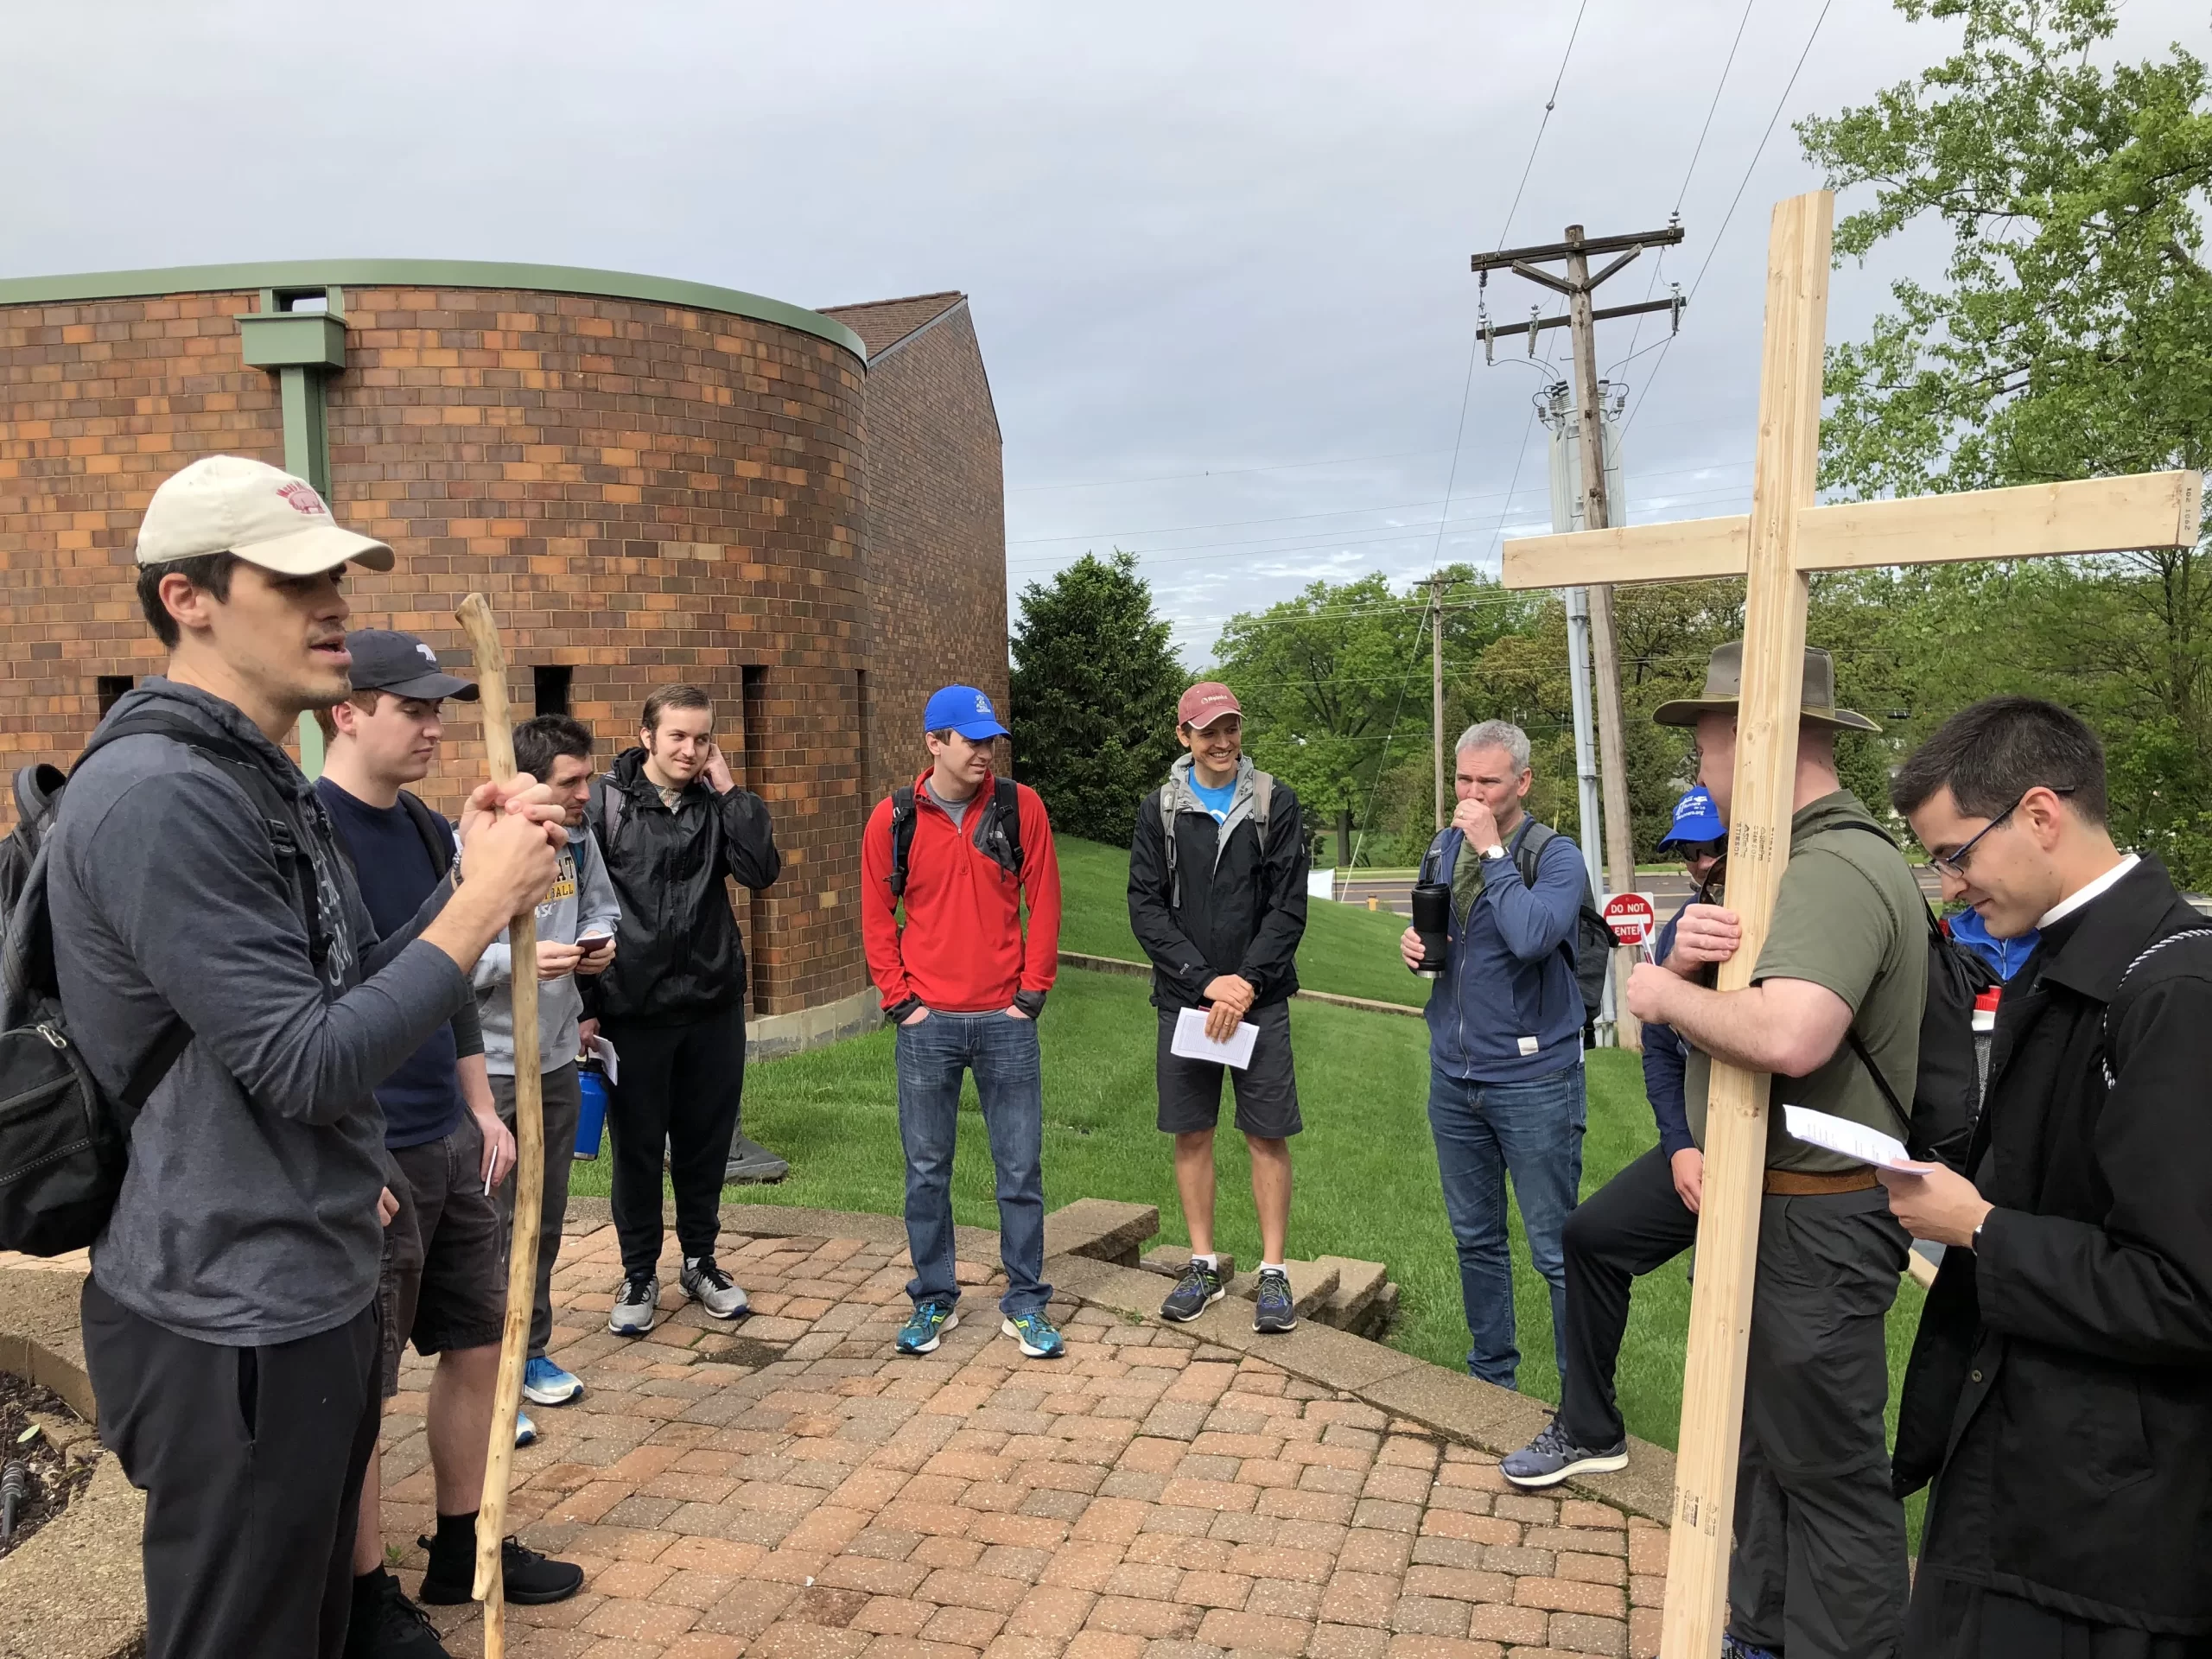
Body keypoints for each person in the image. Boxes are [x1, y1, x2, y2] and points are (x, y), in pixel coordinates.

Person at [53, 454, 561, 1659]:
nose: (335, 601)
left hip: (300, 1287)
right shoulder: (160, 796)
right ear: (189, 599)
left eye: (339, 572)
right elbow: (308, 1061)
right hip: (227, 1317)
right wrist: (476, 910)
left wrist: (454, 877)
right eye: (294, 579)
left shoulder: (252, 782)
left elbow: (330, 995)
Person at [1885, 697, 2212, 1656]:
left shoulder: (2172, 997)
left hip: (2098, 1546)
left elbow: (2187, 1291)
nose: (1949, 886)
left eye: (1954, 853)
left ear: (2037, 815)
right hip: (2020, 1479)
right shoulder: (2066, 967)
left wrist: (1980, 1229)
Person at [1619, 641, 1923, 1659]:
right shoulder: (1777, 861)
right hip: (1767, 1206)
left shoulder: (1835, 865)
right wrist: (1696, 972)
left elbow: (1793, 1036)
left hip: (1817, 1215)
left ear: (1763, 739)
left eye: (1708, 736)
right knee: (1765, 1452)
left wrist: (1660, 997)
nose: (1698, 760)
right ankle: (1763, 1633)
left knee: (1828, 1471)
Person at [314, 632, 585, 1656]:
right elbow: (326, 1010)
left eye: (442, 708)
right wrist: (352, 1150)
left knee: (476, 1342)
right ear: (347, 711)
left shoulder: (431, 835)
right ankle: (367, 1590)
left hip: (445, 1135)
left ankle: (465, 1544)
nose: (435, 726)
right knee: (364, 1386)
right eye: (413, 708)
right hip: (368, 1154)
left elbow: (451, 984)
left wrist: (479, 1106)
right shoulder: (313, 835)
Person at [1501, 783, 1726, 1489]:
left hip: (1780, 1161)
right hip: (1700, 1145)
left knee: (1743, 1314)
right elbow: (1659, 1051)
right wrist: (1682, 1145)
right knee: (1589, 1236)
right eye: (1688, 853)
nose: (1700, 864)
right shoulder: (1684, 926)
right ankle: (1592, 1431)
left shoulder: (1784, 924)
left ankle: (1754, 1486)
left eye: (1713, 848)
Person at [859, 685, 1065, 1359]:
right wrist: (902, 1003)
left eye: (990, 741)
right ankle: (934, 1298)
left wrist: (1030, 995)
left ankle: (1026, 1302)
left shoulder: (1018, 806)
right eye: (970, 740)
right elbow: (874, 918)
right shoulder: (893, 819)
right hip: (929, 1024)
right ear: (934, 742)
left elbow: (1046, 900)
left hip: (1006, 1019)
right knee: (926, 1169)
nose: (984, 753)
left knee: (1020, 1170)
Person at [1396, 720, 1591, 1389]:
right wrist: (1416, 949)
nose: (1472, 793)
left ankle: (1580, 1402)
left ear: (1523, 782)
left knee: (1557, 1252)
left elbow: (1533, 936)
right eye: (1463, 779)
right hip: (1455, 1076)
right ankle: (1491, 1381)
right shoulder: (1442, 847)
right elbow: (1442, 939)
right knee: (1476, 1240)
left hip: (1535, 1079)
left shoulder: (1555, 856)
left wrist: (1494, 854)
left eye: (1489, 780)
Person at [588, 685, 781, 1337]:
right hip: (632, 1011)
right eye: (677, 737)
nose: (690, 750)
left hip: (710, 1007)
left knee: (704, 1147)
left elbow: (759, 870)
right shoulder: (605, 805)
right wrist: (589, 1005)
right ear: (646, 736)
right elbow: (582, 907)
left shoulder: (716, 805)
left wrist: (728, 790)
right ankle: (638, 1270)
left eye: (702, 739)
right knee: (638, 1152)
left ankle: (700, 1261)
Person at [1127, 682, 1309, 1332]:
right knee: (1193, 1131)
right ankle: (1202, 1263)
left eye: (1231, 728)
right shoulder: (1161, 811)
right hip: (1187, 1000)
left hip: (1259, 1000)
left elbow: (1289, 906)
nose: (1223, 742)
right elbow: (1145, 909)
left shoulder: (1273, 802)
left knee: (1266, 1133)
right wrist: (1207, 983)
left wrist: (1247, 984)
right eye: (1208, 731)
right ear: (1184, 737)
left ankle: (1274, 1273)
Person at [478, 714, 621, 1415]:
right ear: (532, 783)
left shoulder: (580, 845)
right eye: (574, 781)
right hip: (493, 1067)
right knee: (488, 1223)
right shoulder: (474, 851)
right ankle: (484, 1376)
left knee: (545, 1214)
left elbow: (601, 910)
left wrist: (598, 941)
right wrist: (518, 962)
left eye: (588, 777)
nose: (587, 793)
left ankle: (530, 1350)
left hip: (558, 1056)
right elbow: (450, 953)